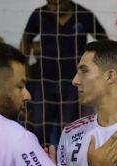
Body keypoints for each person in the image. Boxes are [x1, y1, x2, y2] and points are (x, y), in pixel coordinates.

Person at [20, 0, 109, 146]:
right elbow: (26, 38)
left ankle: (66, 163)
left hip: (73, 81)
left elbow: (103, 40)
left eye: (58, 4)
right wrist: (25, 66)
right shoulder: (40, 14)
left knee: (69, 125)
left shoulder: (84, 15)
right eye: (50, 4)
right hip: (44, 79)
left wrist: (94, 66)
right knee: (39, 125)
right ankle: (40, 160)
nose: (54, 7)